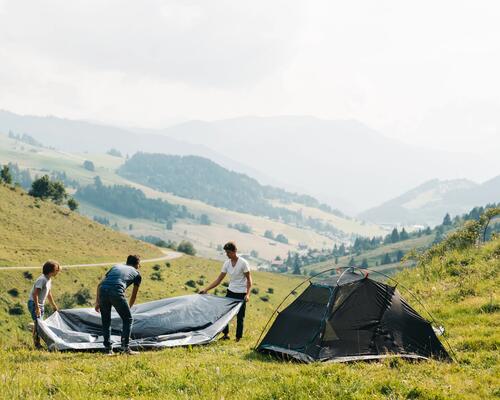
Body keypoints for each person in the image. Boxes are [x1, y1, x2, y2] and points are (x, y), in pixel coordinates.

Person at [200, 242, 252, 341]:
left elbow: (249, 280)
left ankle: (238, 338)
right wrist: (206, 289)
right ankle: (226, 335)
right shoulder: (227, 263)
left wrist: (248, 294)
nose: (227, 254)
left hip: (241, 293)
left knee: (240, 316)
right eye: (226, 252)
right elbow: (219, 279)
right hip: (230, 291)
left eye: (228, 252)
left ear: (235, 251)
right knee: (225, 313)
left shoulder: (243, 263)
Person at [95, 255, 142, 355]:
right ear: (137, 264)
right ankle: (125, 348)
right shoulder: (137, 274)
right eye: (139, 264)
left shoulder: (116, 267)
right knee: (128, 319)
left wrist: (97, 302)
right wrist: (128, 308)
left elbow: (100, 285)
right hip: (116, 292)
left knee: (106, 320)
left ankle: (108, 349)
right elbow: (134, 295)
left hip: (103, 291)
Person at [27, 260, 61, 349]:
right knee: (38, 325)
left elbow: (49, 294)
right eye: (57, 269)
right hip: (34, 304)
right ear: (51, 270)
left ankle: (33, 329)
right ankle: (37, 345)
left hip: (40, 304)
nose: (58, 270)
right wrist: (37, 307)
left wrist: (54, 305)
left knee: (39, 324)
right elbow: (35, 294)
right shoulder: (42, 280)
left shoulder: (48, 280)